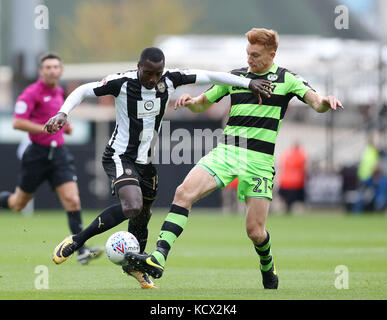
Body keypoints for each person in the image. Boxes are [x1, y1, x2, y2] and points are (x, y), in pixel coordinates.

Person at [124, 28, 343, 290]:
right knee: (183, 193)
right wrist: (189, 101)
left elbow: (316, 102)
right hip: (227, 151)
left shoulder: (288, 79)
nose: (250, 59)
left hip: (260, 162)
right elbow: (203, 103)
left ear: (272, 54)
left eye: (256, 55)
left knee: (255, 232)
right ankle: (158, 258)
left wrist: (326, 101)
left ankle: (267, 264)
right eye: (248, 53)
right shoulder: (235, 77)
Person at [44, 47, 273, 289]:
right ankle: (77, 241)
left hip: (146, 163)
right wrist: (63, 113)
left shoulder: (170, 80)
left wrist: (248, 83)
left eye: (158, 74)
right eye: (148, 73)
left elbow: (210, 75)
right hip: (120, 156)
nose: (153, 80)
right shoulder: (121, 83)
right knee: (132, 205)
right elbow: (83, 90)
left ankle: (135, 266)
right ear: (139, 66)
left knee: (143, 216)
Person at [0, 53, 103, 265]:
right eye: (48, 67)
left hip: (59, 155)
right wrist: (46, 128)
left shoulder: (59, 91)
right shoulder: (31, 93)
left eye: (56, 67)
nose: (52, 70)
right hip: (36, 154)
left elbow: (58, 118)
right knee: (18, 204)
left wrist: (66, 126)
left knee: (72, 200)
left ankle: (81, 250)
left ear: (61, 70)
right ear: (41, 71)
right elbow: (18, 123)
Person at [278, 142, 307, 214]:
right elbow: (303, 166)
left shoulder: (286, 154)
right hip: (296, 181)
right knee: (295, 198)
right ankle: (292, 209)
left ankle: (287, 208)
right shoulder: (301, 154)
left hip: (285, 181)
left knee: (286, 198)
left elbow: (282, 164)